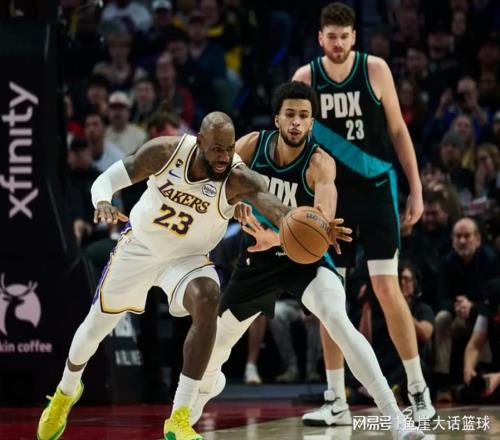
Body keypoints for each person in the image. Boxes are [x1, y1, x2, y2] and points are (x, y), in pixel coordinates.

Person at [37, 111, 335, 440]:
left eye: (230, 148)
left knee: (208, 297)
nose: (224, 157)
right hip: (140, 247)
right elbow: (105, 180)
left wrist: (315, 226)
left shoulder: (237, 177)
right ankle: (65, 392)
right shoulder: (166, 152)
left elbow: (277, 209)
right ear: (199, 141)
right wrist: (103, 201)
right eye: (217, 149)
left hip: (186, 259)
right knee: (94, 329)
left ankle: (179, 417)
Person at [192, 82, 424, 440]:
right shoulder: (252, 145)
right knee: (216, 345)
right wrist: (230, 204)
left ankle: (396, 418)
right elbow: (217, 182)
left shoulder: (320, 163)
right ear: (277, 119)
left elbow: (320, 223)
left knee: (337, 320)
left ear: (312, 122)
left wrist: (286, 235)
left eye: (303, 116)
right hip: (258, 259)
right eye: (290, 114)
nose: (296, 122)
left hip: (305, 258)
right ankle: (188, 411)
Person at [292, 2, 436, 423]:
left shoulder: (375, 70)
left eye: (344, 36)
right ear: (320, 38)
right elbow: (294, 141)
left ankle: (418, 390)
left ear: (354, 37)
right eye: (331, 36)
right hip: (331, 195)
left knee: (387, 288)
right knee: (329, 296)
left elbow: (398, 131)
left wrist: (416, 189)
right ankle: (336, 399)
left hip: (375, 190)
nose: (337, 43)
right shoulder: (305, 79)